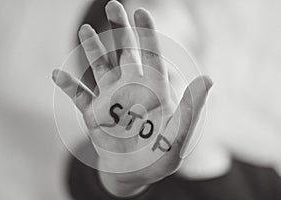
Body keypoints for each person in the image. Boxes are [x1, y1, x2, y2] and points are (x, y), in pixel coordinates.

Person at [52, 0, 281, 199]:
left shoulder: (263, 171)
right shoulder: (125, 173)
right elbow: (91, 178)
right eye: (124, 67)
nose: (155, 78)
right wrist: (120, 177)